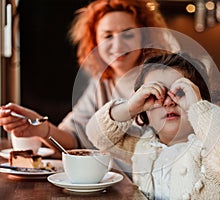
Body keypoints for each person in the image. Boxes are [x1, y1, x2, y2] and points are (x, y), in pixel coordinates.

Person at [0, 0, 175, 158]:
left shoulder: (162, 79)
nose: (118, 45)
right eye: (108, 36)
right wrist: (40, 128)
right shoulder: (101, 82)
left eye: (128, 34)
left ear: (144, 37)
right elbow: (74, 138)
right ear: (95, 42)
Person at [86, 52, 220, 199]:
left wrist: (198, 107)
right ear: (144, 109)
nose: (169, 102)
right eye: (155, 95)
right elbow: (97, 135)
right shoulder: (142, 144)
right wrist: (129, 107)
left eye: (180, 93)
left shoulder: (211, 149)